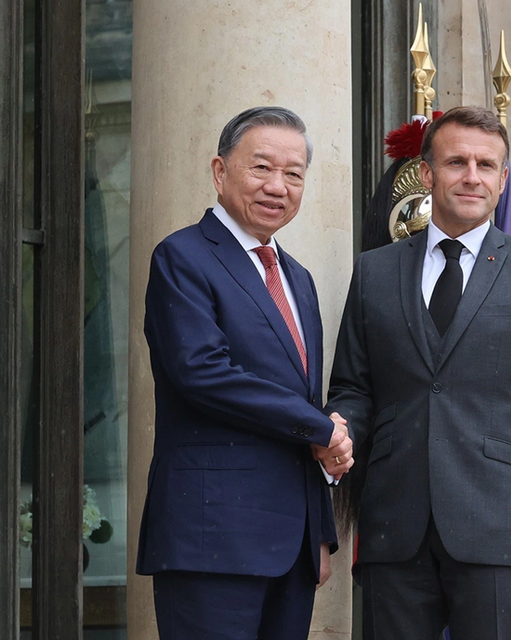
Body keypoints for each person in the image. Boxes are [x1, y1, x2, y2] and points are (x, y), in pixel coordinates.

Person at [328, 106, 511, 640]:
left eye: (486, 165)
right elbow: (353, 387)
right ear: (427, 174)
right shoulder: (374, 272)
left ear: (503, 179)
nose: (472, 176)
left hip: (498, 532)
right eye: (457, 162)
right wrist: (336, 432)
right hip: (392, 532)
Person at [136, 106, 354, 640]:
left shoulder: (297, 278)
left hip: (292, 547)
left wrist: (319, 534)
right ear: (219, 171)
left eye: (294, 173)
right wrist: (322, 429)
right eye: (261, 168)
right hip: (212, 539)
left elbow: (300, 394)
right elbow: (203, 373)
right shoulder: (182, 257)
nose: (277, 186)